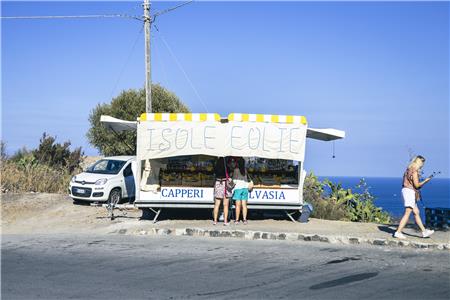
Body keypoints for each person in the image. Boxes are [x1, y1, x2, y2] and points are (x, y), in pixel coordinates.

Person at [394, 155, 434, 239]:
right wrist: (426, 181)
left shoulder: (408, 170)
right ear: (420, 163)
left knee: (416, 212)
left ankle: (424, 232)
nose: (423, 165)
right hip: (409, 192)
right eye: (422, 163)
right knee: (408, 212)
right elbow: (417, 185)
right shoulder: (415, 171)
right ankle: (398, 232)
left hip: (405, 190)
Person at [212, 157, 232, 226]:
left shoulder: (216, 166)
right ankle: (225, 221)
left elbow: (214, 174)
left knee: (216, 204)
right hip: (225, 184)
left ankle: (215, 221)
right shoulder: (226, 166)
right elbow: (229, 174)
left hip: (218, 183)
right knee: (225, 205)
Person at [232, 157, 250, 225]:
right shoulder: (245, 170)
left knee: (238, 205)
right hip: (245, 188)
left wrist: (231, 182)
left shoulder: (236, 170)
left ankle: (237, 220)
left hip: (238, 188)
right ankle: (244, 220)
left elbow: (234, 181)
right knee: (244, 205)